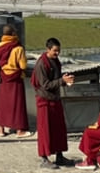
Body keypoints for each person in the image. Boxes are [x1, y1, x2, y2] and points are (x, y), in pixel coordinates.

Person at [31, 36, 75, 166]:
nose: (57, 53)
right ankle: (44, 158)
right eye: (55, 51)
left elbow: (56, 78)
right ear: (48, 49)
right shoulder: (41, 64)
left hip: (55, 99)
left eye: (58, 51)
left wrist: (65, 78)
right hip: (44, 101)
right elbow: (45, 85)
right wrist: (62, 81)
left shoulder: (55, 61)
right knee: (46, 130)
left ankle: (60, 156)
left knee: (59, 129)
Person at [0, 24, 30, 137]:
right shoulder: (18, 48)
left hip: (3, 78)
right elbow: (23, 66)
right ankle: (19, 131)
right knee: (17, 105)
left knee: (3, 105)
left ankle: (1, 130)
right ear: (13, 34)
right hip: (15, 78)